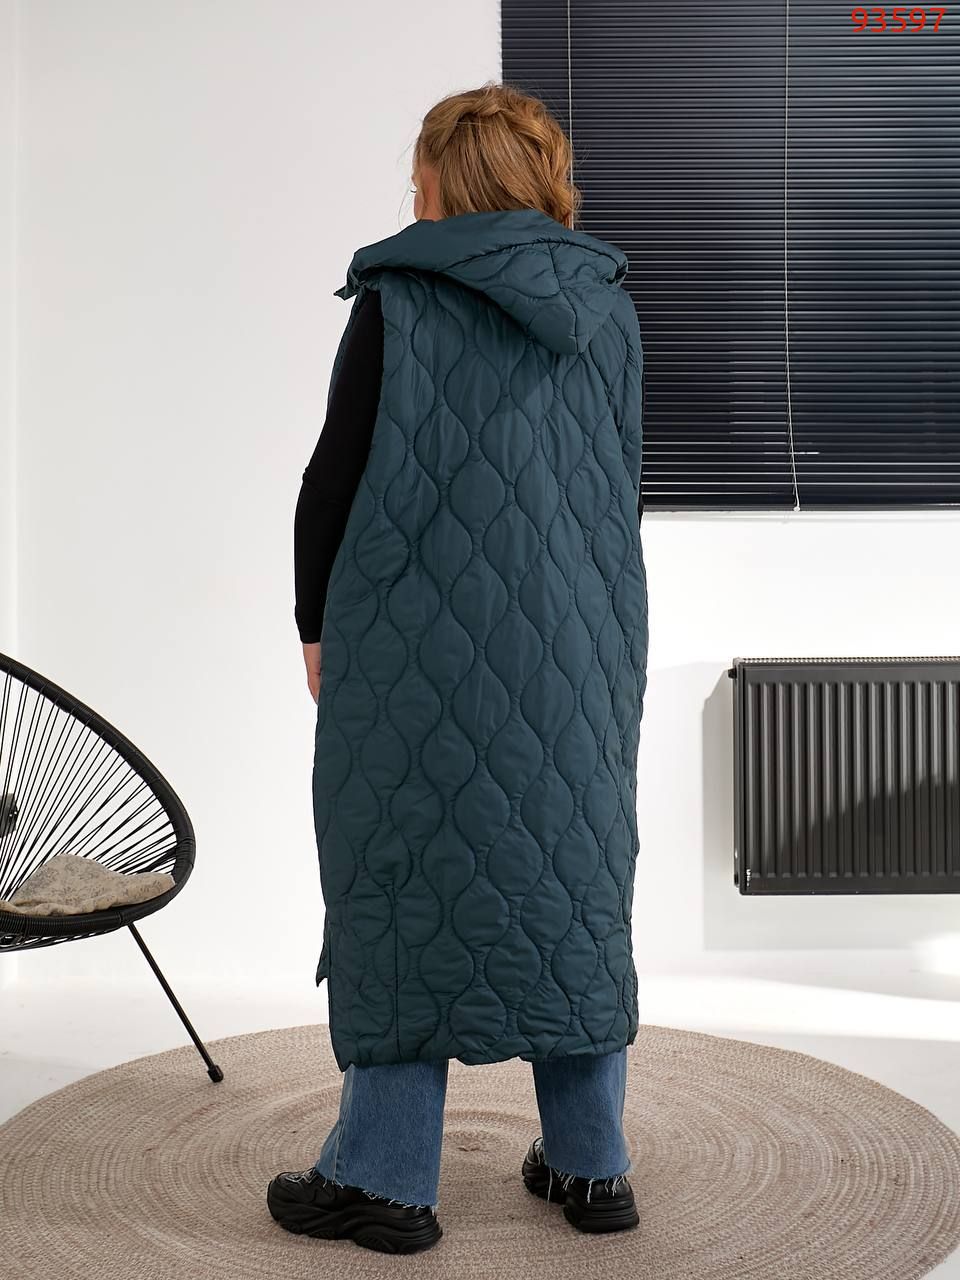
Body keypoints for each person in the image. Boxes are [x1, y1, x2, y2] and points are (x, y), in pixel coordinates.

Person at [268, 81, 648, 1255]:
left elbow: (333, 480)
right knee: (574, 881)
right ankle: (593, 1165)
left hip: (412, 646)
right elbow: (616, 487)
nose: (411, 189)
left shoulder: (400, 300)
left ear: (445, 179)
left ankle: (383, 1176)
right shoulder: (609, 309)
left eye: (419, 170)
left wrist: (314, 623)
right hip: (582, 644)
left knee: (400, 877)